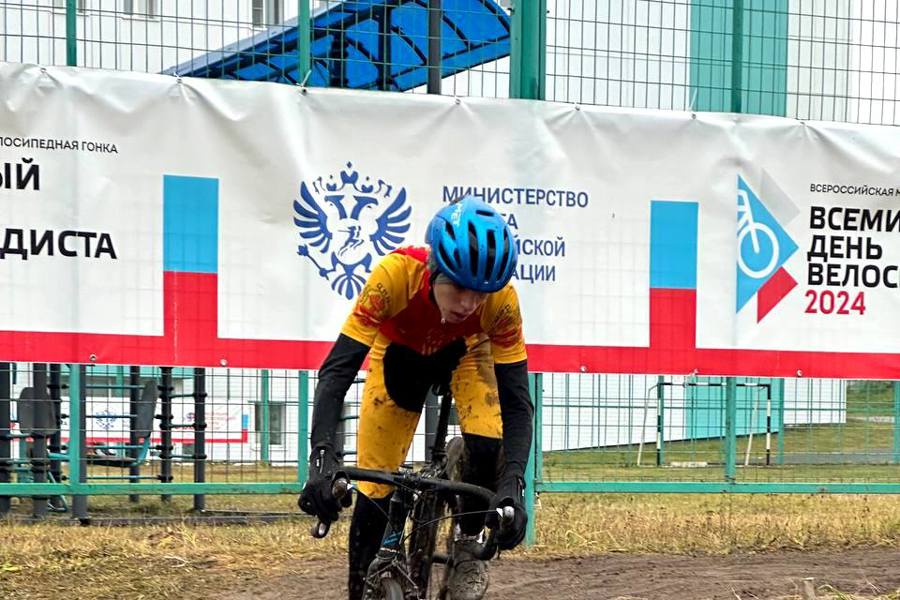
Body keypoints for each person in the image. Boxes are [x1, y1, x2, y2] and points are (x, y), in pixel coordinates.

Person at [299, 195, 533, 600]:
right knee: (374, 490)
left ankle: (466, 545)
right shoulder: (395, 274)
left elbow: (516, 402)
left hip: (467, 352)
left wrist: (512, 481)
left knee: (487, 443)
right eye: (460, 287)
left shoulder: (501, 304)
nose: (470, 303)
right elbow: (338, 369)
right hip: (400, 352)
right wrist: (322, 456)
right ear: (435, 268)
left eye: (482, 292)